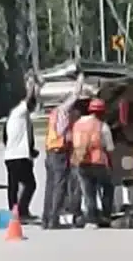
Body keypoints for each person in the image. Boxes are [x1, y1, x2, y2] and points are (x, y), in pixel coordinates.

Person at [42, 73, 85, 229]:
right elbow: (75, 95)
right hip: (59, 152)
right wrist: (80, 79)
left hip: (50, 151)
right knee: (60, 186)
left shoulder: (53, 114)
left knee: (50, 186)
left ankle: (46, 219)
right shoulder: (63, 111)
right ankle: (54, 220)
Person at [70, 98, 115, 229]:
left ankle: (91, 218)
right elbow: (110, 147)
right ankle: (106, 215)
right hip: (98, 162)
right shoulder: (102, 126)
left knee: (88, 191)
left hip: (81, 161)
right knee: (108, 186)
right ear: (101, 112)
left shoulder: (78, 124)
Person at [3, 75, 40, 224]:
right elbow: (29, 100)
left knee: (14, 185)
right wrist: (32, 85)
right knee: (30, 184)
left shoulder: (16, 117)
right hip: (18, 156)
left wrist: (31, 150)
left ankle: (15, 212)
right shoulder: (19, 112)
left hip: (13, 155)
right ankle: (19, 212)